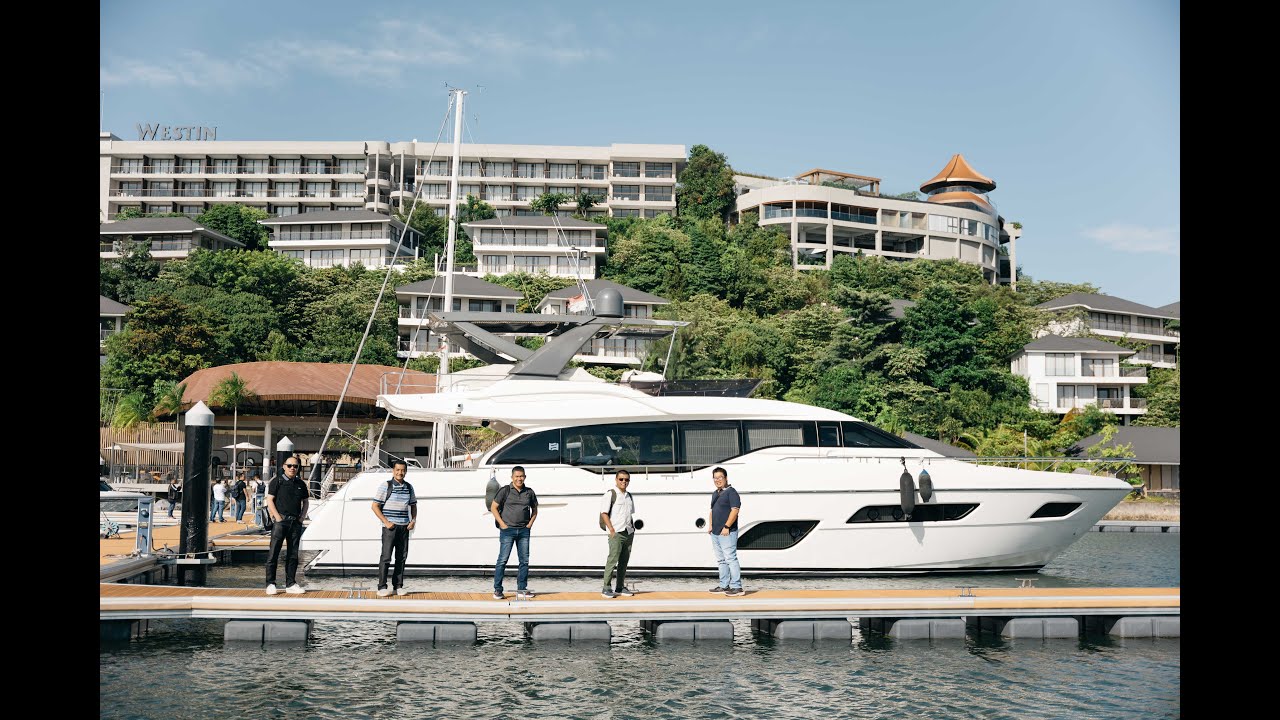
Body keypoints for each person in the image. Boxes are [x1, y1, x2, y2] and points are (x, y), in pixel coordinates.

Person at [264, 456, 310, 595]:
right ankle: (270, 583)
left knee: (293, 555)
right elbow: (270, 500)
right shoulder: (277, 481)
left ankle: (290, 583)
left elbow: (306, 501)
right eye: (289, 465)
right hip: (280, 522)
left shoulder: (301, 483)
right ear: (284, 466)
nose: (292, 468)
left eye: (295, 466)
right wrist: (277, 517)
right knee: (274, 553)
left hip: (295, 523)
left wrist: (302, 517)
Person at [490, 465, 537, 600]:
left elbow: (535, 510)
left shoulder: (529, 492)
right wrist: (503, 524)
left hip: (524, 531)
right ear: (512, 477)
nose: (519, 479)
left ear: (525, 477)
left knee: (524, 561)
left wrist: (529, 524)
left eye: (521, 476)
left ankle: (522, 589)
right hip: (507, 531)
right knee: (502, 560)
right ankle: (498, 590)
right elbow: (493, 507)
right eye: (516, 476)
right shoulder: (505, 490)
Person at [372, 460, 417, 597]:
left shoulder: (409, 487)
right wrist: (386, 522)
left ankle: (398, 586)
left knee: (401, 558)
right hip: (390, 528)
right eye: (397, 470)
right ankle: (382, 587)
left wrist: (413, 520)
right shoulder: (386, 486)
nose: (400, 473)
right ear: (393, 470)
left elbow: (413, 505)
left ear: (406, 472)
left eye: (403, 470)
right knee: (386, 557)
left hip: (404, 527)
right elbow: (374, 506)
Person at [599, 470, 637, 599]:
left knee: (624, 562)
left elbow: (630, 514)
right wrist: (611, 530)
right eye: (621, 479)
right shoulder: (611, 494)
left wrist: (632, 530)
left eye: (626, 479)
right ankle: (606, 588)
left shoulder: (629, 496)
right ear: (616, 480)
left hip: (628, 532)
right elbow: (604, 513)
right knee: (612, 560)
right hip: (616, 533)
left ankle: (620, 587)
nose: (624, 482)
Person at [707, 466, 744, 596]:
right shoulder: (715, 493)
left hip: (727, 532)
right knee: (721, 560)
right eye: (715, 478)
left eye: (720, 477)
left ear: (726, 478)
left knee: (730, 558)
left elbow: (735, 510)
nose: (717, 480)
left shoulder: (731, 492)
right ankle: (724, 585)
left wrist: (727, 527)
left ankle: (737, 587)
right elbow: (712, 511)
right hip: (716, 533)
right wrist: (710, 526)